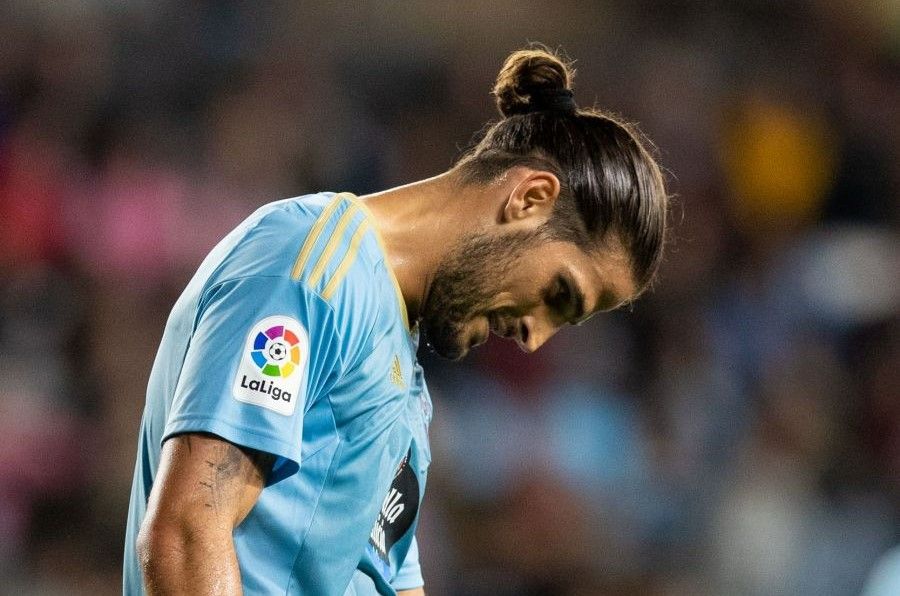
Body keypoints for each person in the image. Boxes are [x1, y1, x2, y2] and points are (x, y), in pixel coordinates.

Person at [123, 47, 669, 595]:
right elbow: (189, 532)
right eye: (558, 294)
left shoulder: (404, 378)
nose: (534, 338)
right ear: (529, 198)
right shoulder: (308, 272)